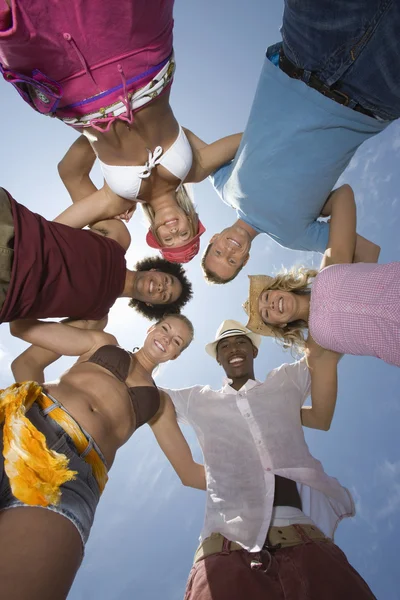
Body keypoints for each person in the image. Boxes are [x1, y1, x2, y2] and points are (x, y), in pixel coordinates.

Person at [0, 0, 241, 262]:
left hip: (77, 90)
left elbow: (52, 232)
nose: (174, 231)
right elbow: (252, 140)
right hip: (142, 62)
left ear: (154, 233)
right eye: (184, 234)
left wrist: (22, 258)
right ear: (191, 220)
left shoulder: (117, 200)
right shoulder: (196, 168)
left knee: (26, 17)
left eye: (168, 239)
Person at [162, 320, 376, 599]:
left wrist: (291, 315)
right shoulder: (197, 400)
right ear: (218, 359)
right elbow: (144, 394)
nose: (233, 349)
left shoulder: (285, 381)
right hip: (226, 553)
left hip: (306, 543)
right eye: (224, 345)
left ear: (254, 350)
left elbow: (325, 346)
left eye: (240, 341)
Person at [2, 313, 205, 600]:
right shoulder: (102, 342)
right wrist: (83, 308)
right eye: (165, 329)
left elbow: (190, 473)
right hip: (23, 423)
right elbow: (22, 327)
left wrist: (263, 478)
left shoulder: (160, 403)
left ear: (175, 355)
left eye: (176, 341)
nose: (166, 339)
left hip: (74, 475)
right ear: (151, 328)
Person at [201, 0, 399, 283]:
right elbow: (367, 251)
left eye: (218, 252)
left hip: (305, 53)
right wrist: (327, 299)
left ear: (214, 238)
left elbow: (185, 155)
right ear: (245, 260)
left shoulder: (224, 186)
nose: (229, 251)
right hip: (373, 97)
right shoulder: (292, 236)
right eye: (232, 261)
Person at [244, 184, 400, 368]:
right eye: (266, 314)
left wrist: (310, 216)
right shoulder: (317, 347)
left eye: (266, 297)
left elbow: (343, 195)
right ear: (279, 326)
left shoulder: (331, 272)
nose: (269, 305)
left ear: (279, 288)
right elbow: (322, 396)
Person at [0, 187, 192, 324]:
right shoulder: (119, 236)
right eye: (167, 281)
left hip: (7, 293)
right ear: (155, 269)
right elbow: (73, 173)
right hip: (12, 226)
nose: (161, 287)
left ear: (150, 304)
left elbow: (25, 336)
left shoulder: (97, 318)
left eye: (165, 295)